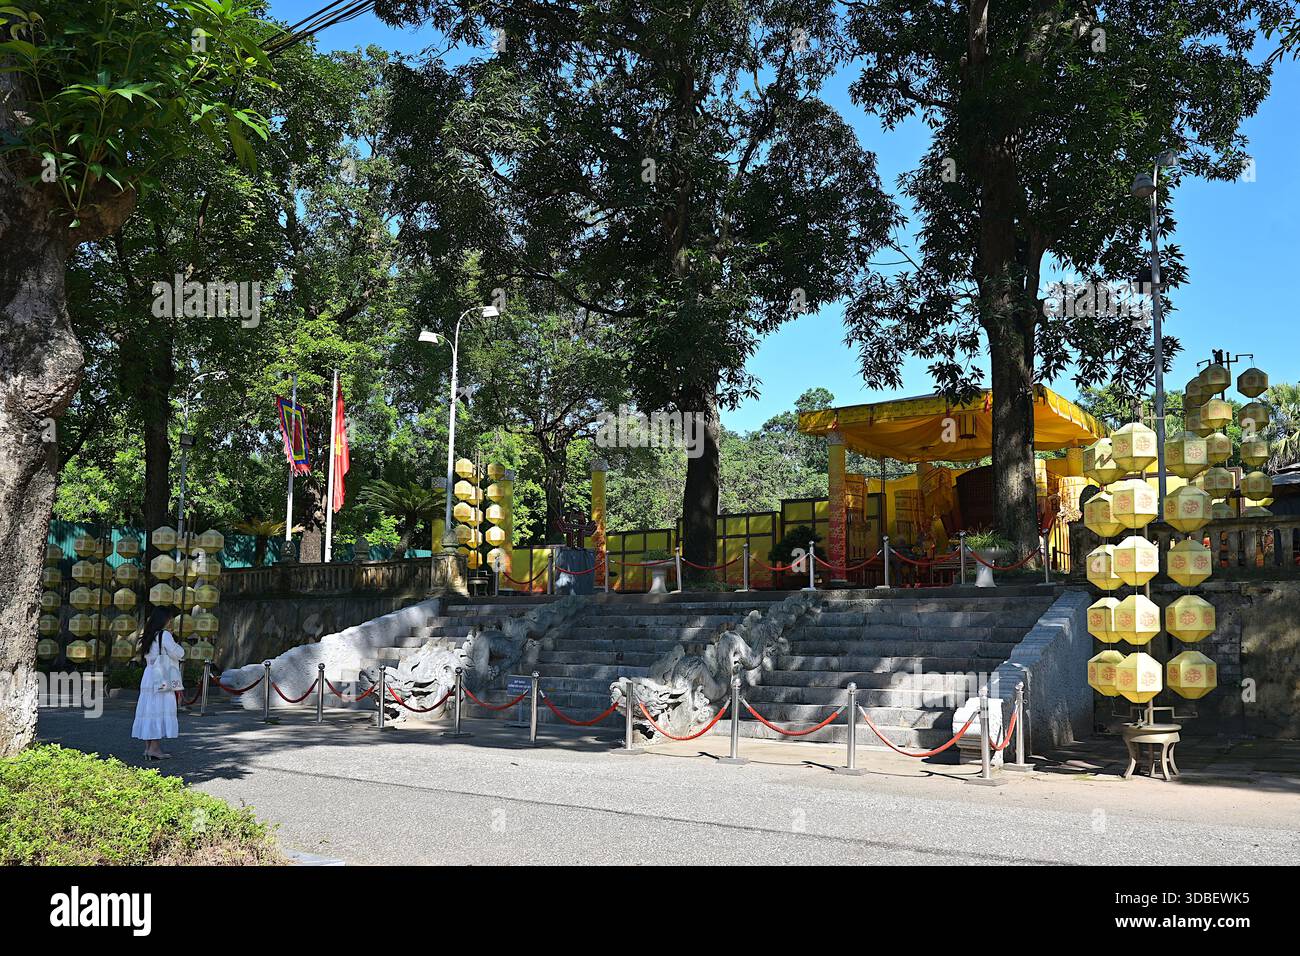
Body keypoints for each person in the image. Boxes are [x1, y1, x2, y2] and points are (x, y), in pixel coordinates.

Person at [131, 607, 186, 760]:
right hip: (162, 676)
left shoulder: (149, 635)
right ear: (164, 619)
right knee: (160, 709)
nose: (170, 622)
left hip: (149, 675)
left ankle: (148, 747)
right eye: (169, 619)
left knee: (149, 709)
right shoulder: (165, 635)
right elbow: (179, 653)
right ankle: (155, 748)